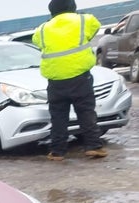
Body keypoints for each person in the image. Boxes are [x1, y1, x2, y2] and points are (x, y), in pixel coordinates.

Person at [32, 0, 107, 161]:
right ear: (72, 7)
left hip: (55, 80)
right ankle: (93, 146)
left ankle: (57, 151)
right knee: (86, 111)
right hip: (80, 76)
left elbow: (37, 41)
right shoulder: (83, 20)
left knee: (58, 116)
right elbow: (95, 26)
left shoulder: (43, 29)